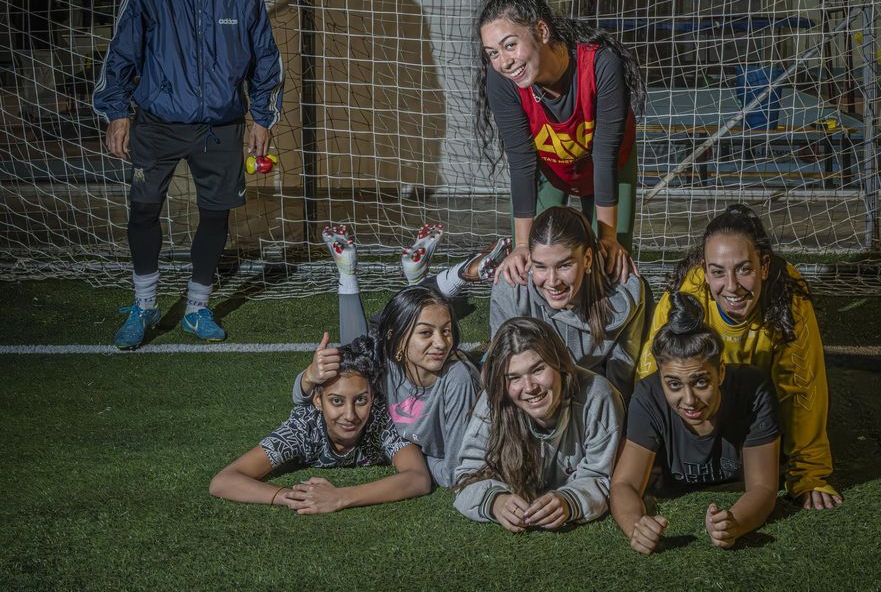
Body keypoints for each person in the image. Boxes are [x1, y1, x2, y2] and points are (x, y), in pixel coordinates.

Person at [92, 0, 283, 349]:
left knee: (215, 216)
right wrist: (118, 112)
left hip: (221, 126)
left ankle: (198, 307)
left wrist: (262, 118)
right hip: (157, 122)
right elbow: (123, 50)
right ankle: (144, 303)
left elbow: (264, 57)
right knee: (143, 210)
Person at [636, 204, 839, 509]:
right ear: (705, 271)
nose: (731, 287)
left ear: (765, 265)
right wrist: (651, 451)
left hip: (758, 416)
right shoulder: (687, 296)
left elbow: (802, 388)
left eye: (744, 269)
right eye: (718, 272)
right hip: (700, 413)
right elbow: (652, 374)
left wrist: (808, 473)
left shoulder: (789, 299)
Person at [293, 224, 507, 489]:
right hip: (394, 338)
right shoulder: (387, 359)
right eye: (426, 333)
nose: (441, 343)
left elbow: (456, 471)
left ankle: (447, 275)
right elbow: (306, 397)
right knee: (367, 345)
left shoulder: (457, 380)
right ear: (399, 342)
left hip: (483, 398)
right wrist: (309, 376)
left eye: (447, 331)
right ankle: (358, 274)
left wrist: (411, 459)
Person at [473, 0, 644, 286]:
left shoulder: (601, 64)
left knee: (610, 263)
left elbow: (604, 156)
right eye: (492, 53)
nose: (503, 62)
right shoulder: (501, 81)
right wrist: (522, 247)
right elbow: (522, 161)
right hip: (549, 168)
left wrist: (607, 239)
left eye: (510, 45)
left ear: (541, 31)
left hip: (609, 166)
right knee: (533, 262)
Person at [612, 291, 781, 553]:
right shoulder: (648, 396)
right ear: (661, 377)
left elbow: (764, 487)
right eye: (674, 385)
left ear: (721, 372)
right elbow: (625, 484)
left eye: (701, 382)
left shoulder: (753, 389)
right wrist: (636, 526)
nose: (689, 400)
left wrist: (735, 523)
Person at [208, 337, 431, 513]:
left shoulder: (381, 418)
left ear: (373, 397)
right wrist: (288, 497)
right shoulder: (303, 428)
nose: (350, 415)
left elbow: (418, 478)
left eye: (361, 400)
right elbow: (224, 481)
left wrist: (340, 497)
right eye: (336, 401)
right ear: (317, 401)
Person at [453, 317, 623, 531]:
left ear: (560, 364)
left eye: (537, 370)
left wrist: (570, 502)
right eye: (514, 378)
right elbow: (467, 475)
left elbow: (607, 478)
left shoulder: (597, 396)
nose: (530, 387)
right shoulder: (494, 400)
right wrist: (496, 502)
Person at [488, 206, 648, 402]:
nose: (553, 281)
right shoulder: (512, 288)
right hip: (530, 400)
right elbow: (501, 370)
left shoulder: (623, 297)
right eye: (540, 266)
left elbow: (621, 380)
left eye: (564, 265)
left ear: (587, 259)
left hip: (592, 400)